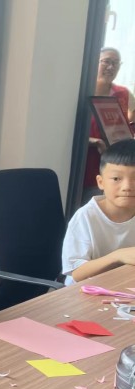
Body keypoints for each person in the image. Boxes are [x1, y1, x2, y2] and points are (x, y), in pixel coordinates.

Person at [62, 138, 135, 285]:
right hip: (84, 291)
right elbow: (77, 273)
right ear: (101, 182)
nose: (127, 187)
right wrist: (118, 256)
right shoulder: (86, 217)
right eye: (116, 178)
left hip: (122, 285)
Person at [84, 47, 135, 191]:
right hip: (86, 160)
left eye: (116, 63)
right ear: (95, 63)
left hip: (115, 161)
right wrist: (94, 141)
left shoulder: (123, 93)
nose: (111, 67)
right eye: (106, 61)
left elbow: (132, 115)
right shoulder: (82, 90)